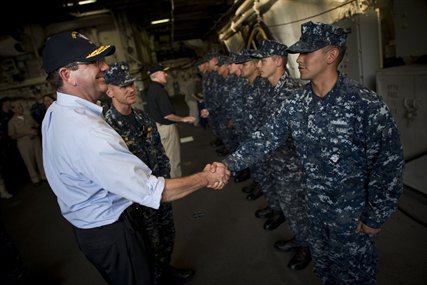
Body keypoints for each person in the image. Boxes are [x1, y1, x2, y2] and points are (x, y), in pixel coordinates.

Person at [40, 31, 229, 285]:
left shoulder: (57, 111)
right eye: (95, 62)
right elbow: (152, 191)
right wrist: (206, 177)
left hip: (94, 227)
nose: (105, 67)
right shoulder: (87, 130)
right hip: (112, 229)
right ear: (67, 75)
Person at [223, 21, 404, 284]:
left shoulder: (364, 103)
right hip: (315, 215)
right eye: (299, 52)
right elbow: (264, 138)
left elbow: (388, 164)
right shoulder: (297, 104)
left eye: (307, 53)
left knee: (355, 277)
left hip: (351, 218)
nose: (299, 59)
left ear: (331, 56)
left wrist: (376, 216)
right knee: (325, 273)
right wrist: (228, 164)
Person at [104, 61, 194, 285]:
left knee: (166, 237)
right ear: (109, 91)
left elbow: (161, 154)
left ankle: (165, 271)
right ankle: (154, 278)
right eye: (123, 86)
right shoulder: (107, 127)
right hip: (134, 201)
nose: (130, 89)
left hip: (159, 191)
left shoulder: (144, 118)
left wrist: (166, 181)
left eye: (131, 83)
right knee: (145, 247)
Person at [253, 39, 310, 269]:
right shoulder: (269, 90)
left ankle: (309, 248)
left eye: (263, 60)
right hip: (277, 165)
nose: (259, 65)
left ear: (278, 61)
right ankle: (300, 239)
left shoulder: (296, 92)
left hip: (295, 168)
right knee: (290, 209)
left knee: (302, 210)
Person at [145, 63, 196, 178]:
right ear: (157, 75)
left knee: (167, 156)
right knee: (173, 159)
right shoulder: (159, 90)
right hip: (166, 128)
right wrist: (184, 119)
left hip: (160, 127)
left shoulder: (152, 89)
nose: (166, 75)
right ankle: (177, 183)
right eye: (163, 73)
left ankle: (172, 181)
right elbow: (168, 115)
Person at [8, 99, 46, 186]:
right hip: (24, 144)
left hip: (35, 141)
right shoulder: (12, 122)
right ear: (13, 110)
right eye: (17, 107)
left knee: (40, 158)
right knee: (29, 161)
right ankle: (35, 178)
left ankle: (44, 176)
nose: (20, 109)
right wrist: (27, 133)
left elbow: (36, 125)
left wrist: (35, 130)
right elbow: (12, 136)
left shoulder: (28, 116)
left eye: (20, 106)